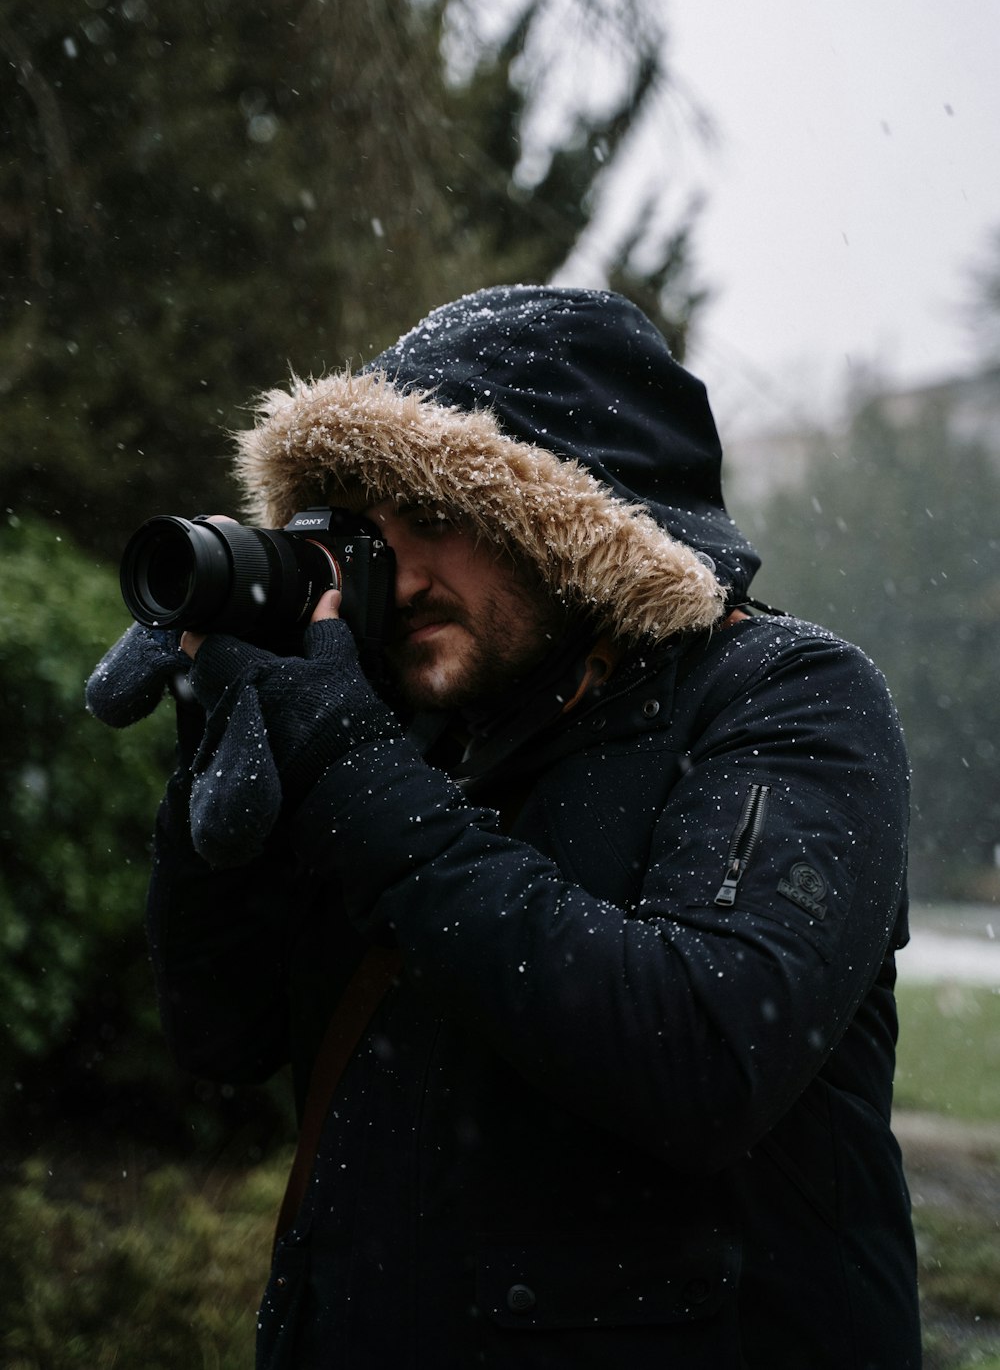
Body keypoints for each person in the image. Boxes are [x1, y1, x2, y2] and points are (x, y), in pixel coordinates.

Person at [87, 285, 922, 1367]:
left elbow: (704, 1059)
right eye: (361, 528)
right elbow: (221, 1035)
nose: (398, 570)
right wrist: (217, 765)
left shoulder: (787, 698)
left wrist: (348, 768)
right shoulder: (409, 735)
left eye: (433, 515)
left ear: (567, 524)